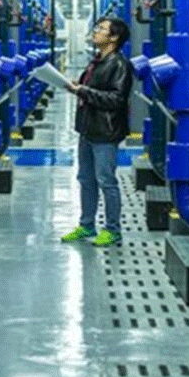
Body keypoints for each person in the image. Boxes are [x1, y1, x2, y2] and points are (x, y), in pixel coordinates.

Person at [60, 17, 133, 247]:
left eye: (102, 29)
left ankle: (112, 229)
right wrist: (78, 87)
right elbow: (92, 90)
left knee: (106, 181)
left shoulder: (120, 65)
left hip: (105, 132)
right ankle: (86, 225)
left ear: (114, 37)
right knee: (86, 179)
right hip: (88, 129)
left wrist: (82, 90)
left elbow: (117, 99)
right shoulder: (97, 62)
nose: (96, 31)